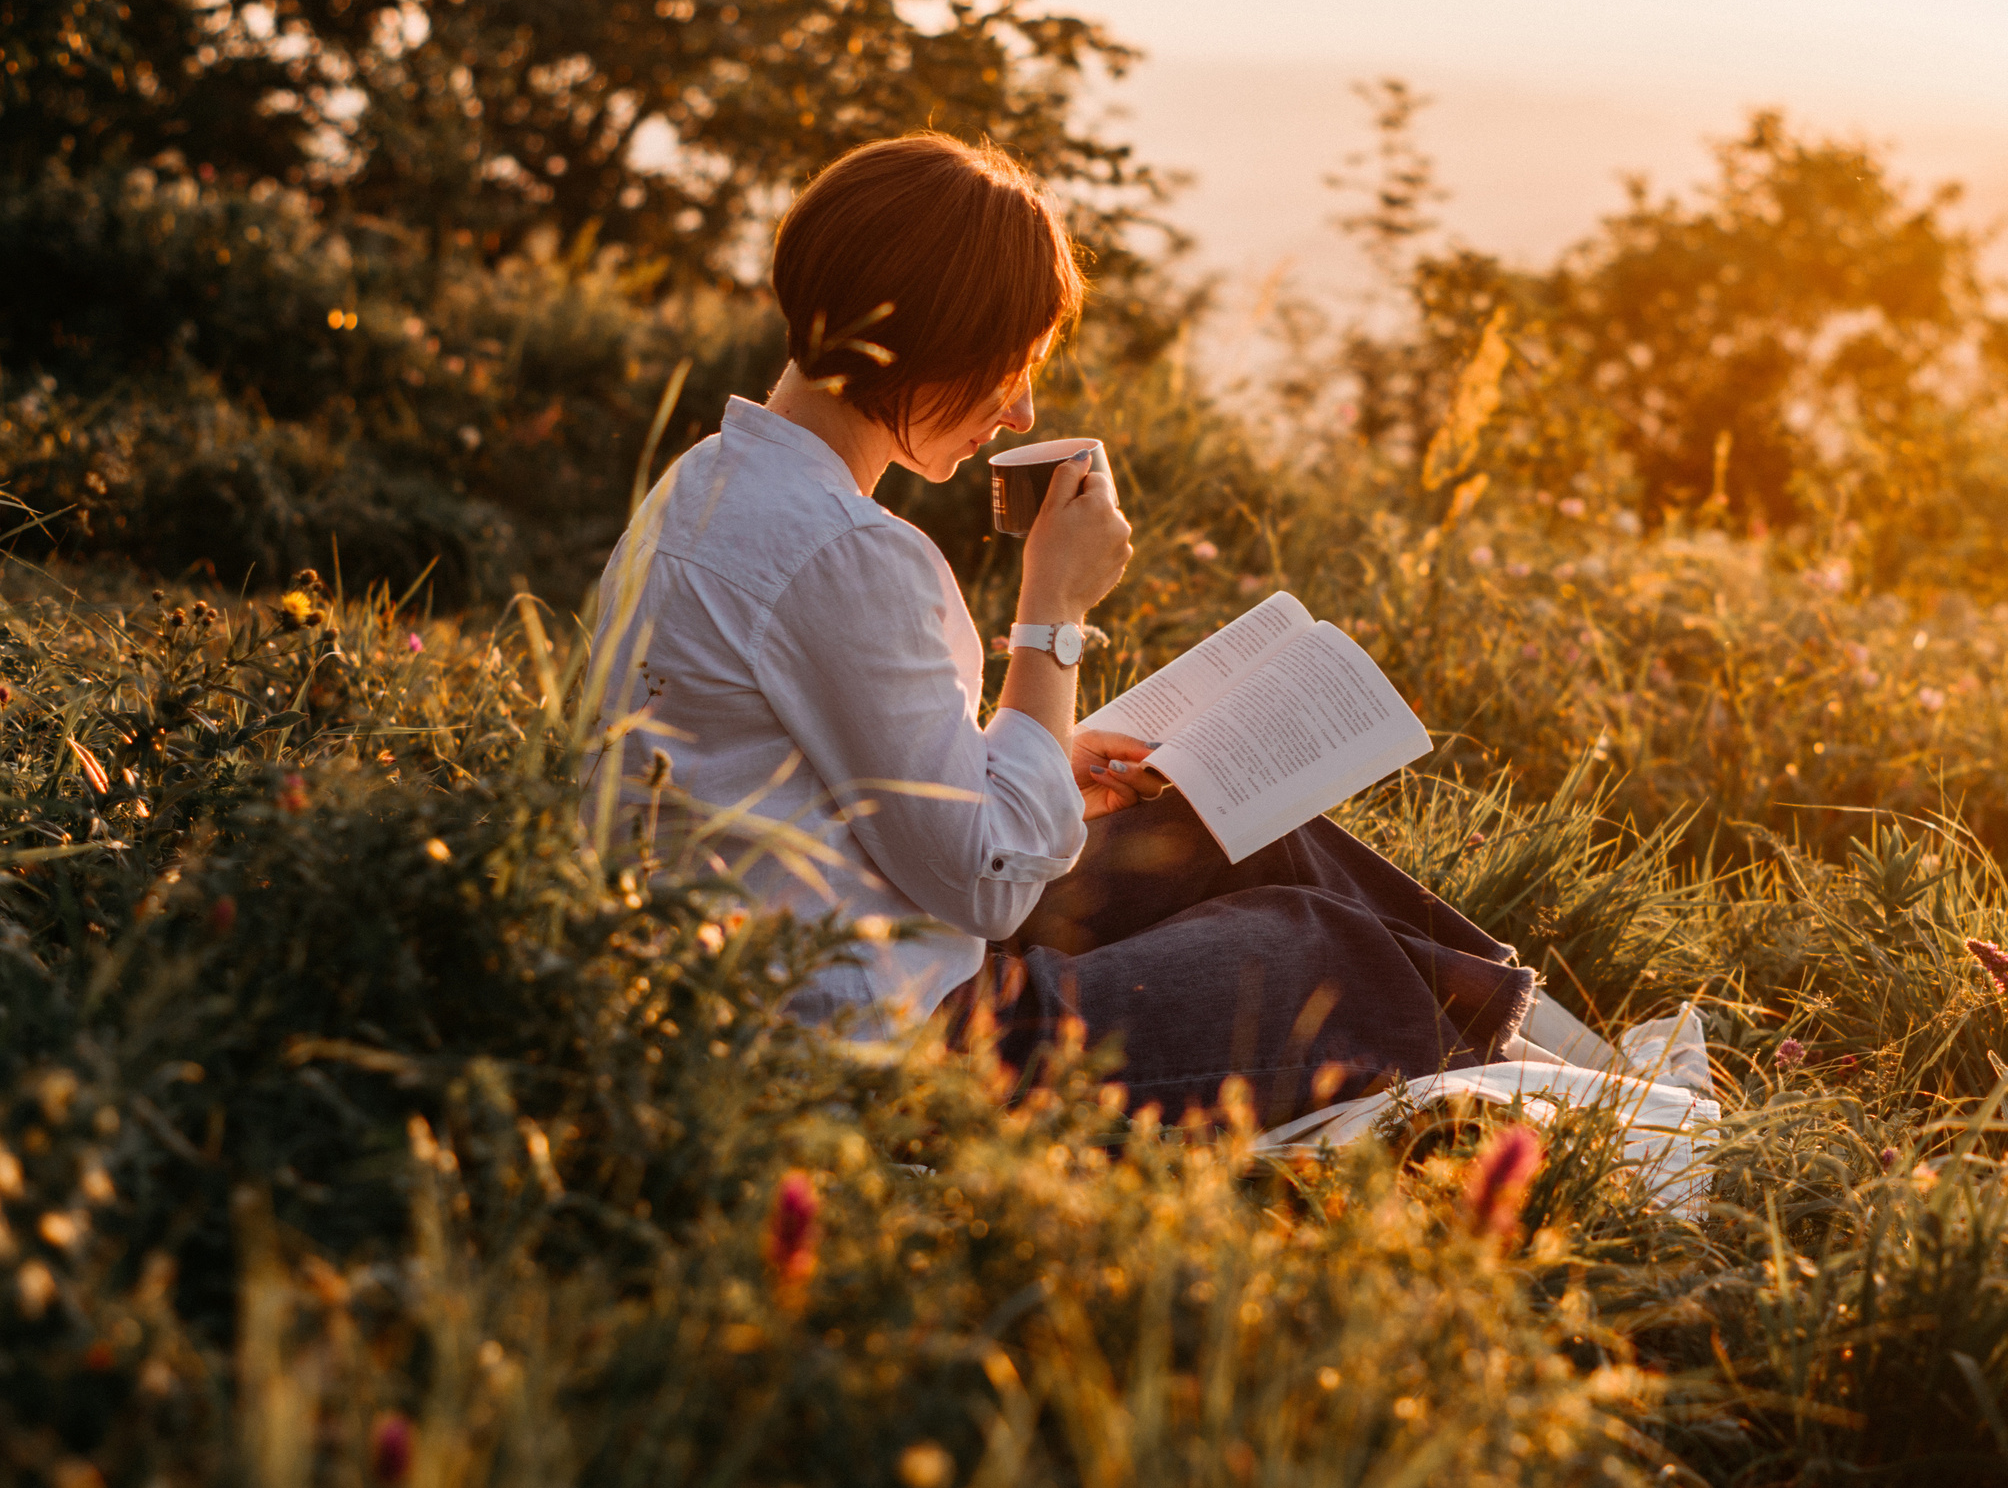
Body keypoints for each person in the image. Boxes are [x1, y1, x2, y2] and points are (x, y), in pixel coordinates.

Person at [588, 132, 1642, 1129]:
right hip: (890, 1041)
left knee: (1248, 830)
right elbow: (989, 883)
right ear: (929, 340)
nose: (1019, 408)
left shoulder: (703, 485)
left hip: (820, 957)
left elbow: (873, 780)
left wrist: (1052, 756)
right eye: (1008, 363)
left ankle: (1587, 1070)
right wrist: (1054, 614)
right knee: (1317, 948)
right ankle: (1601, 1108)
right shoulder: (849, 554)